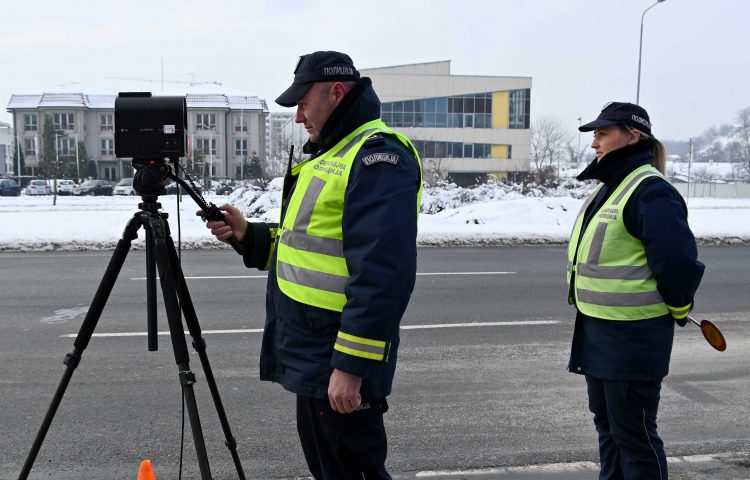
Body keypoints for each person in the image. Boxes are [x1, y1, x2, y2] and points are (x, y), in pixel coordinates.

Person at [201, 51, 422, 479]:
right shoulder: (331, 154)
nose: (299, 116)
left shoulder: (378, 158)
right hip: (317, 354)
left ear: (336, 93)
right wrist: (250, 236)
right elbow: (306, 248)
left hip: (337, 358)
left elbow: (383, 275)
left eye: (303, 103)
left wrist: (351, 367)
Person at [566, 101, 705, 479]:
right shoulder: (611, 187)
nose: (594, 143)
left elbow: (677, 264)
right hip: (599, 331)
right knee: (609, 428)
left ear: (632, 136)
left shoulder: (650, 191)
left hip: (633, 337)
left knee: (634, 435)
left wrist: (680, 307)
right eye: (594, 134)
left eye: (602, 133)